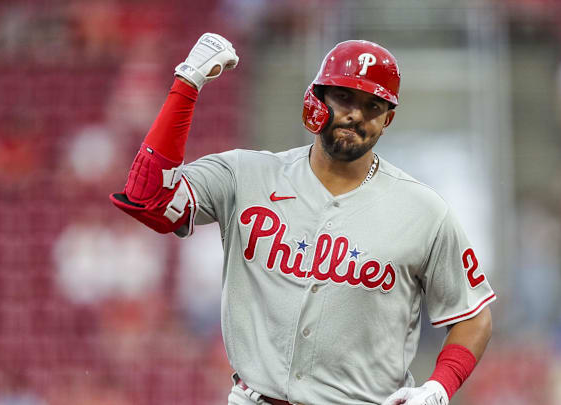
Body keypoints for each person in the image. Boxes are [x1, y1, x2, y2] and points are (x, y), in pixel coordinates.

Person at [110, 33, 496, 405]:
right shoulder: (247, 175)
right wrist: (187, 84)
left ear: (387, 120)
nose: (355, 115)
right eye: (344, 97)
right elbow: (149, 200)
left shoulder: (423, 210)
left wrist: (440, 386)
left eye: (372, 106)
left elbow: (474, 317)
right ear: (317, 98)